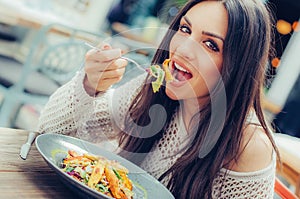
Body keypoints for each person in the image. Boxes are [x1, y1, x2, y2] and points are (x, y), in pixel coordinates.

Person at [38, 0, 279, 198]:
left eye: (210, 44)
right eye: (184, 29)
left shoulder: (248, 145)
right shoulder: (151, 90)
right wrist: (89, 85)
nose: (183, 49)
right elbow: (49, 134)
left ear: (237, 66)